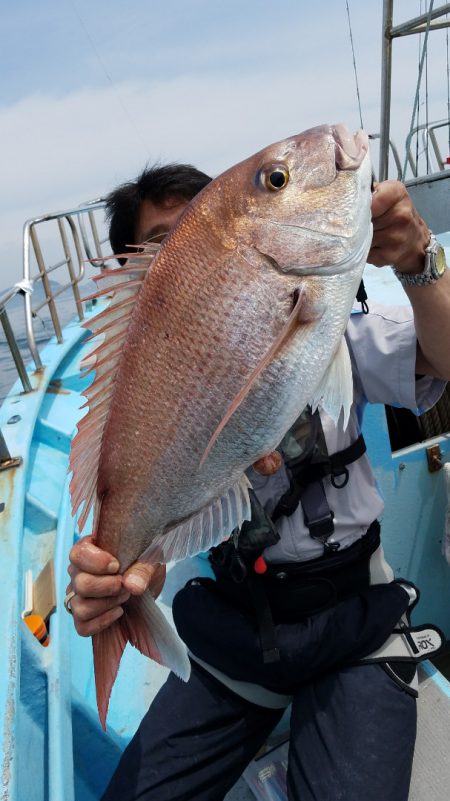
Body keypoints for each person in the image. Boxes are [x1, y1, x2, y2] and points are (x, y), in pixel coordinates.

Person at [67, 161, 450, 801]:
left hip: (355, 624)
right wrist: (115, 581)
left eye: (200, 228)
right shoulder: (150, 401)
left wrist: (420, 261)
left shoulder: (329, 326)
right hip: (239, 635)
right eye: (167, 244)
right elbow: (154, 551)